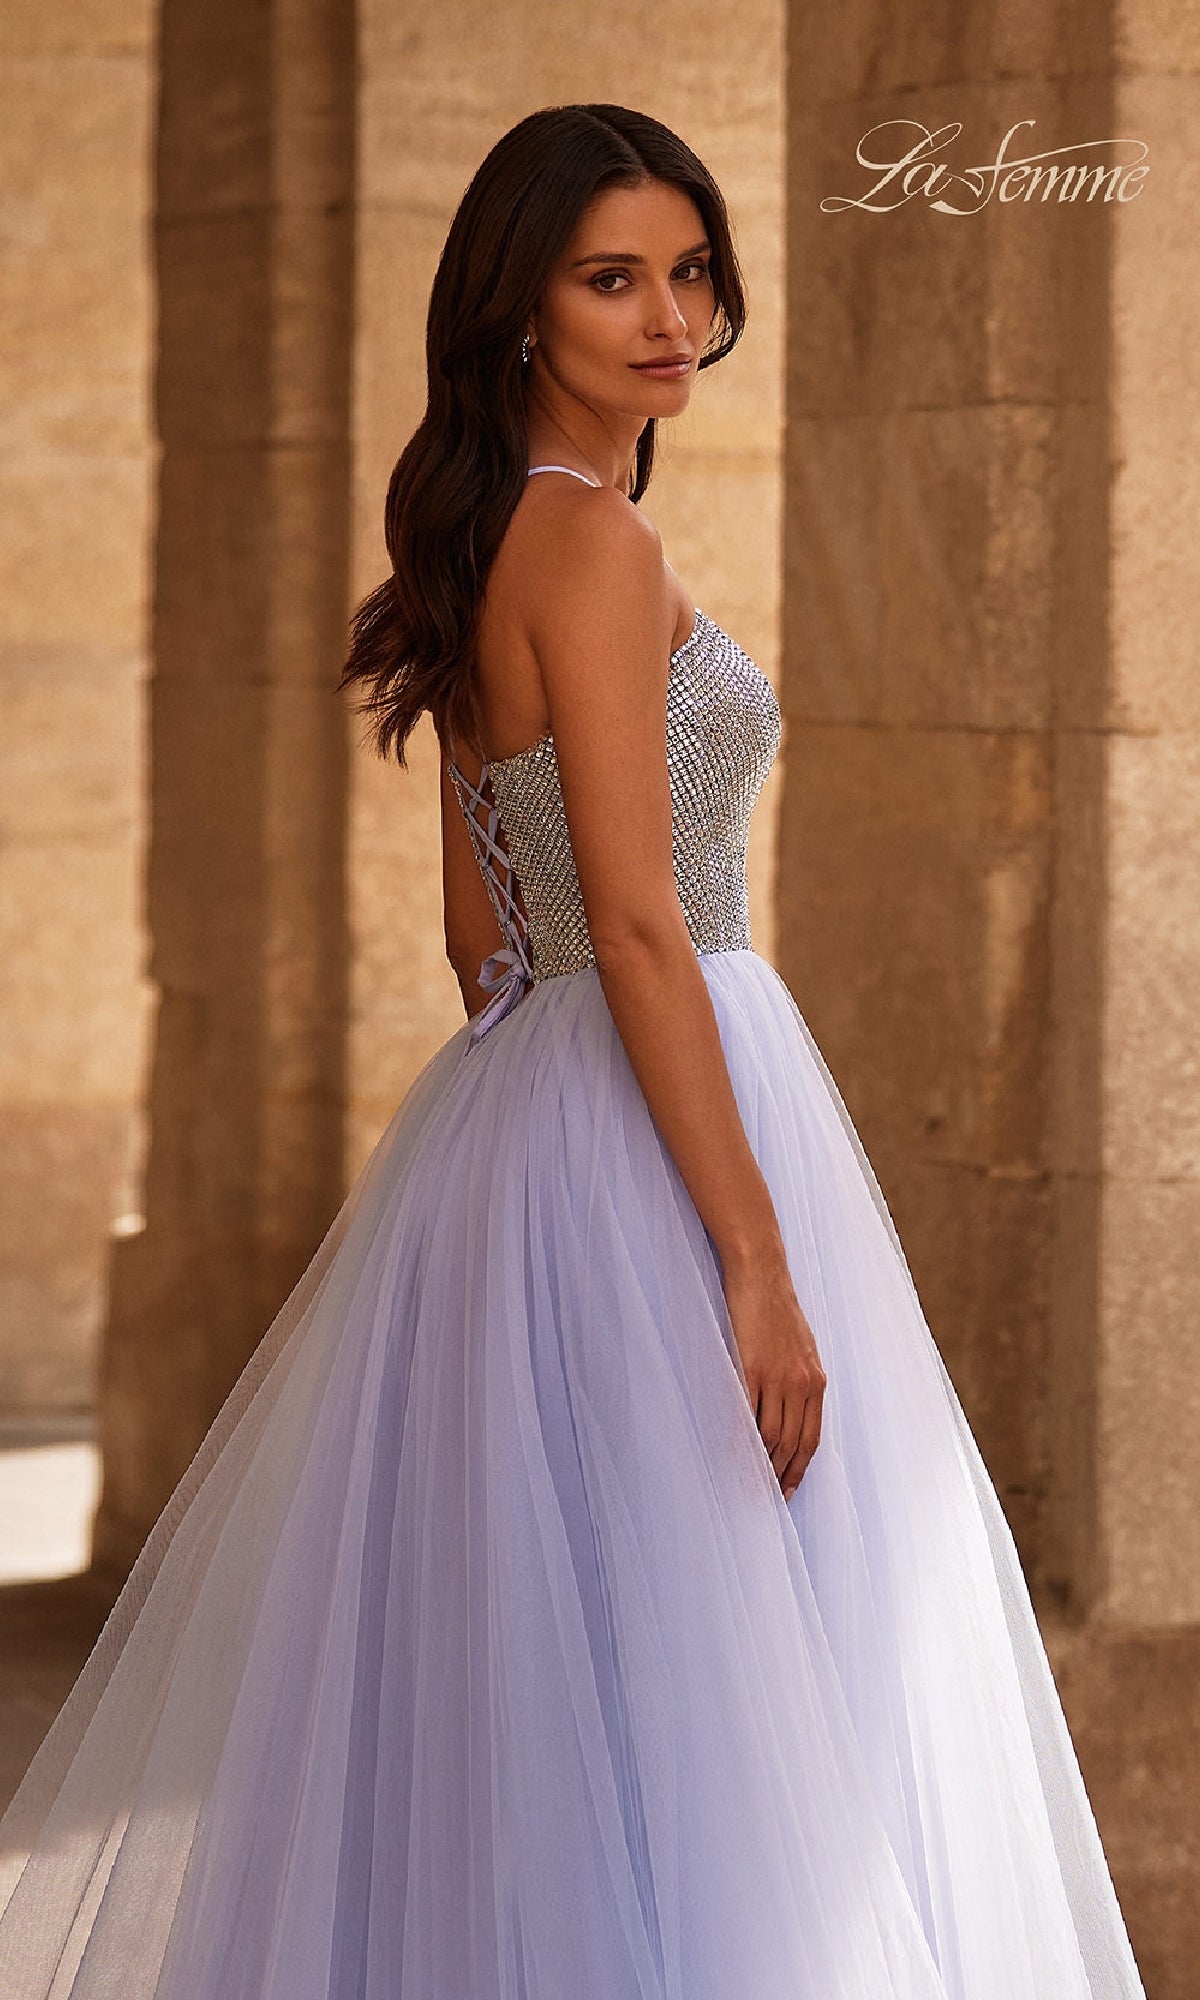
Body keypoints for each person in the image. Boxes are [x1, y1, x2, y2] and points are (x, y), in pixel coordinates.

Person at [0, 102, 1147, 2000]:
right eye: (613, 278)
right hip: (657, 1091)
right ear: (519, 311)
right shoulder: (591, 546)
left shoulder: (476, 541)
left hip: (525, 1124)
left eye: (689, 271)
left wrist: (548, 1163)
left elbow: (484, 939)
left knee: (567, 1685)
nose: (670, 315)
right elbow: (626, 927)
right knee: (727, 1674)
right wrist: (757, 1260)